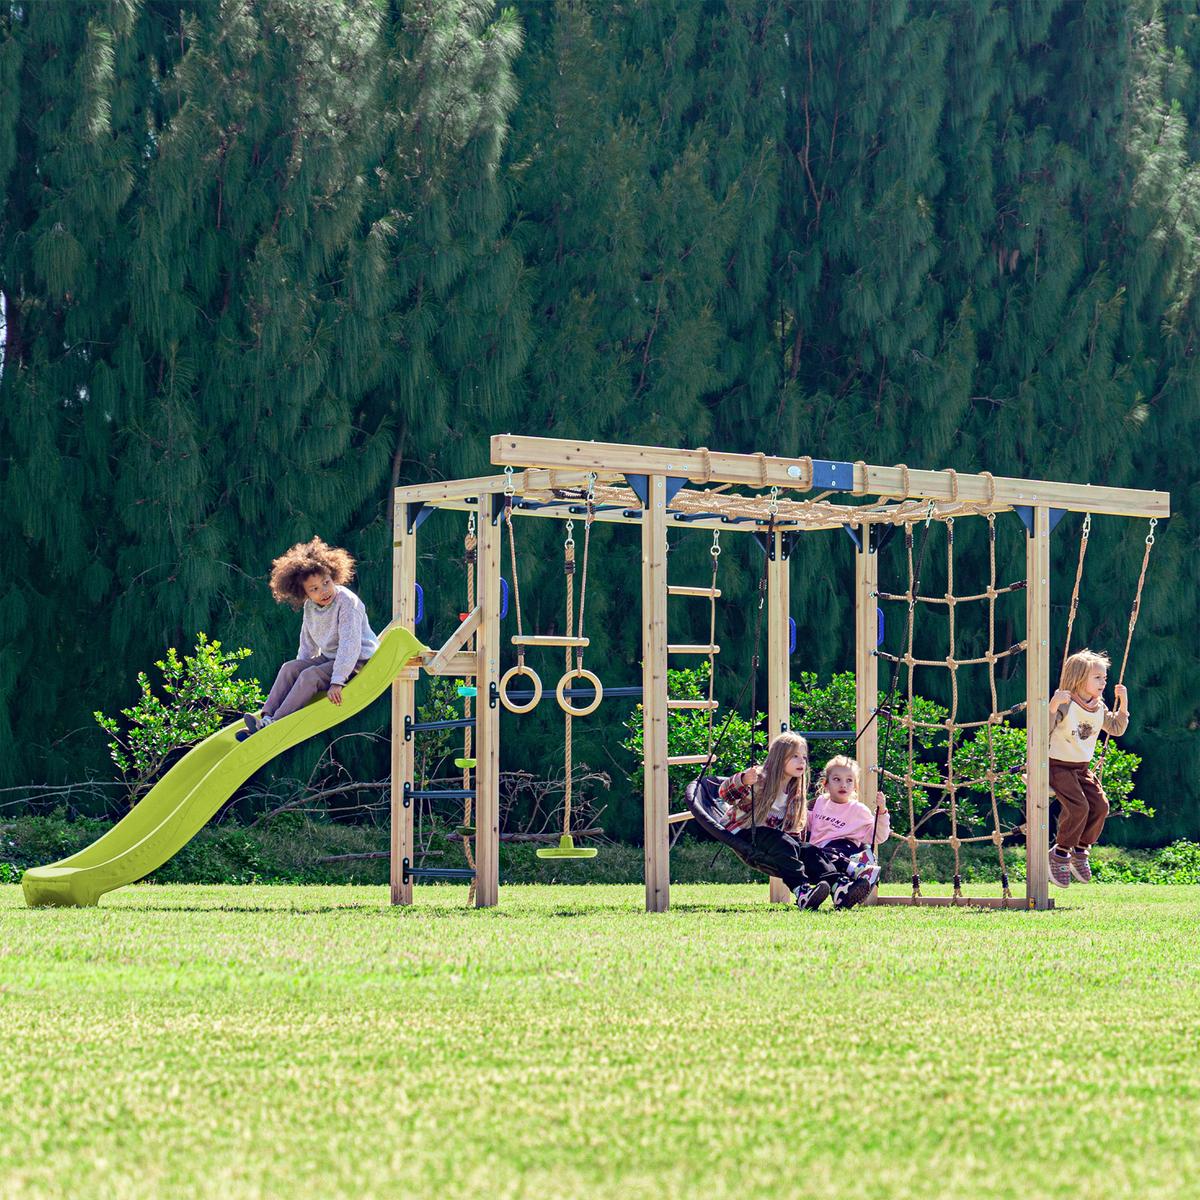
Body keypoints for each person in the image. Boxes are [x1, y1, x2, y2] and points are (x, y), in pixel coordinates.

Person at [237, 537, 379, 741]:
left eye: (326, 583)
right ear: (303, 593)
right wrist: (299, 665)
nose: (323, 591)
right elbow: (308, 642)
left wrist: (338, 681)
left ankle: (275, 724)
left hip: (356, 660)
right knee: (289, 668)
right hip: (331, 658)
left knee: (309, 676)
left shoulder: (347, 603)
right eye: (314, 589)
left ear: (333, 576)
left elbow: (350, 645)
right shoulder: (310, 607)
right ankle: (265, 717)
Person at [718, 732, 841, 910]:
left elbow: (791, 831)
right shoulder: (759, 778)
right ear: (778, 758)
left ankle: (837, 886)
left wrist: (800, 850)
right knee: (783, 842)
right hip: (744, 832)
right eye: (795, 757)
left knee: (809, 850)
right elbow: (725, 794)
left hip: (773, 839)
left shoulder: (794, 790)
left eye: (804, 757)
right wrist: (743, 779)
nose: (802, 762)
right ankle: (802, 891)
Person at [1047, 648, 1128, 886]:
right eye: (1097, 677)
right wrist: (1052, 706)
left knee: (1101, 806)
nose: (1103, 682)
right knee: (1079, 807)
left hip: (1081, 768)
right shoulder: (1066, 703)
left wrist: (1123, 704)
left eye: (1104, 677)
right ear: (1080, 678)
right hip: (1057, 765)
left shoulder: (1099, 707)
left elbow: (1116, 728)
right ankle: (1060, 852)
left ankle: (1080, 851)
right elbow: (1044, 729)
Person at [806, 756, 890, 910]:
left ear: (855, 786)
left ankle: (858, 868)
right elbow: (808, 823)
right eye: (837, 779)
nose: (843, 784)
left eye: (849, 780)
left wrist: (882, 812)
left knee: (826, 853)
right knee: (811, 853)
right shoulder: (820, 802)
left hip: (845, 849)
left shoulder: (858, 810)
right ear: (826, 784)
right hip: (819, 854)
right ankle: (843, 896)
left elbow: (879, 836)